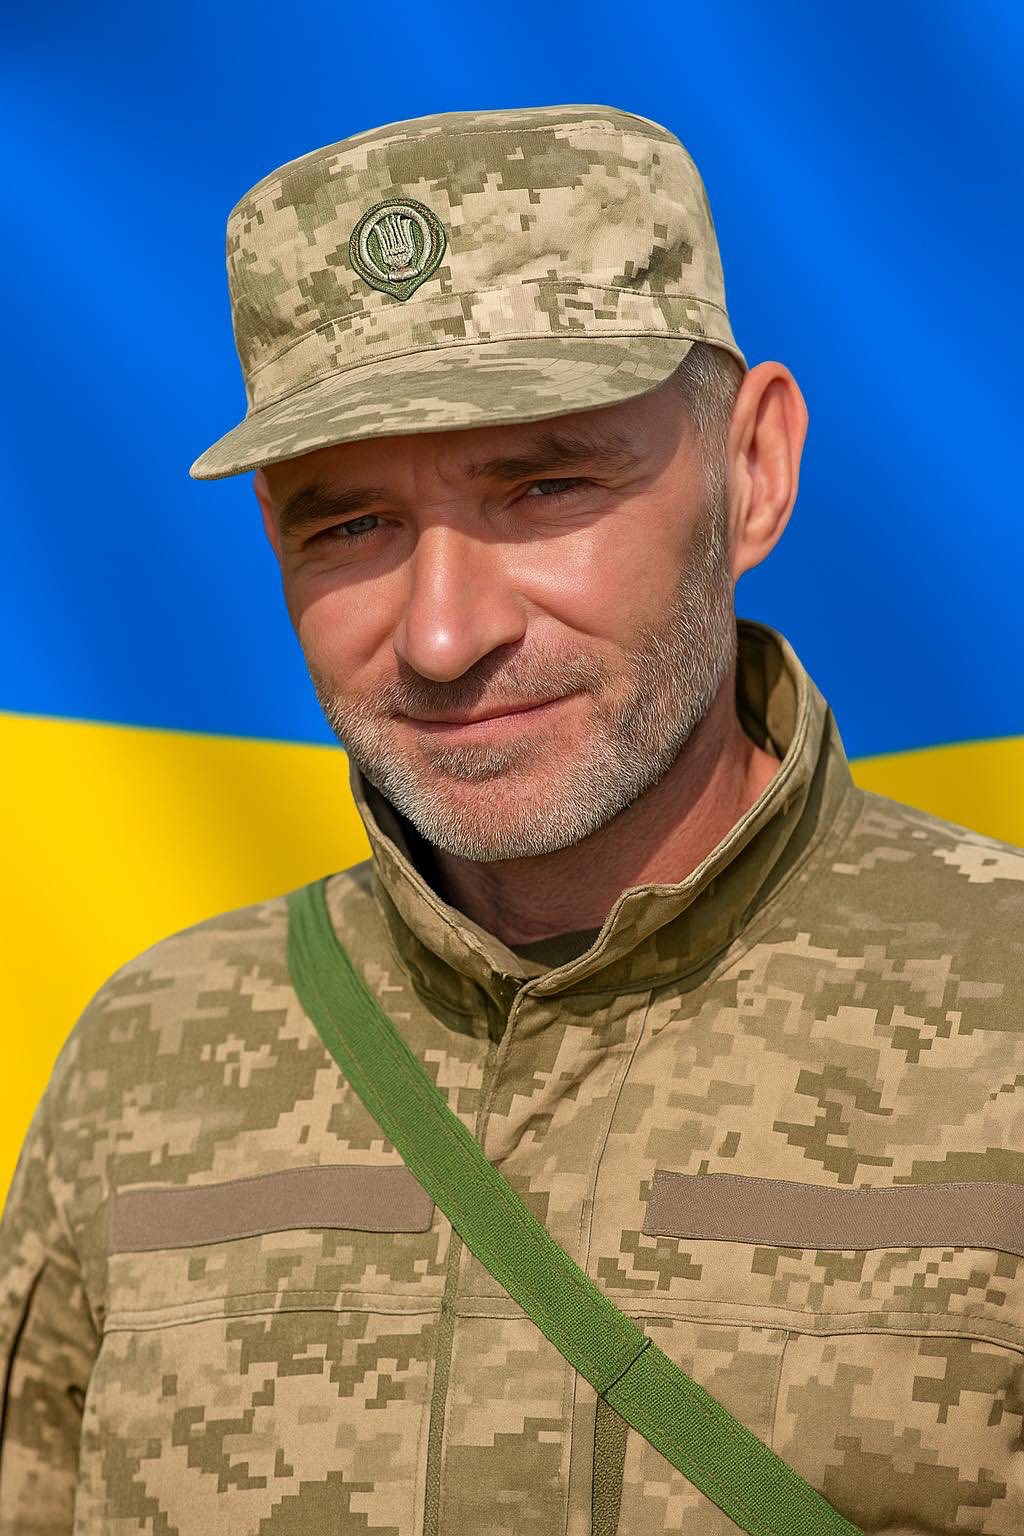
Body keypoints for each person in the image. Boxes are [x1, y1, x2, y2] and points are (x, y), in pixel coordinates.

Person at [1, 103, 1022, 1536]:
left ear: (754, 470)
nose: (441, 634)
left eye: (544, 487)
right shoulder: (143, 1067)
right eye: (347, 524)